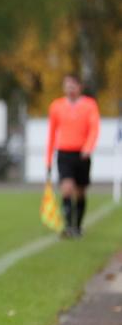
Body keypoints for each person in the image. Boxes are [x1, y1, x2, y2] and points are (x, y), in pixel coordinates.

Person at [46, 74, 100, 237]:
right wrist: (48, 158)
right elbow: (52, 133)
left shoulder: (90, 105)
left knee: (80, 192)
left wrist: (88, 147)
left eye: (72, 86)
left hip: (82, 154)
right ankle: (69, 226)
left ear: (79, 87)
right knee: (67, 188)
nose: (69, 89)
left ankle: (78, 225)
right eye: (66, 86)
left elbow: (94, 128)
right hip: (64, 153)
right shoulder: (56, 106)